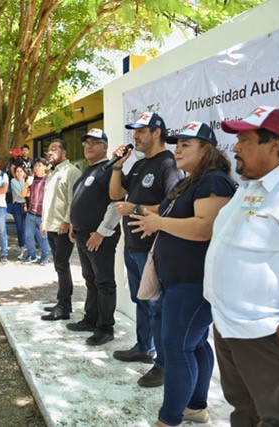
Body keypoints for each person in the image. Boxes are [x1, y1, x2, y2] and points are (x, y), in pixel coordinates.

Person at [204, 106, 279, 426]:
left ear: (275, 145)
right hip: (229, 329)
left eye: (245, 139)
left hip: (269, 334)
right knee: (244, 411)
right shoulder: (248, 188)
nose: (236, 147)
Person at [129, 122, 235, 426]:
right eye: (177, 144)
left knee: (177, 348)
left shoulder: (214, 180)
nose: (178, 149)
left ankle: (169, 419)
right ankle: (195, 407)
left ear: (208, 149)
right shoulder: (189, 181)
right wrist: (151, 218)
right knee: (195, 344)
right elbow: (172, 220)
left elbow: (205, 227)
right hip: (179, 282)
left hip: (194, 284)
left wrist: (159, 224)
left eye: (186, 144)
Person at [109, 111, 184, 388]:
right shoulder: (141, 164)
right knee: (141, 300)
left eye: (141, 131)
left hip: (152, 248)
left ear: (157, 132)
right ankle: (143, 347)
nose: (135, 136)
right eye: (134, 131)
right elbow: (115, 194)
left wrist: (135, 208)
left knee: (157, 305)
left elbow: (172, 206)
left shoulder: (168, 163)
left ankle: (163, 365)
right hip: (132, 245)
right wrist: (118, 166)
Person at [67, 128, 121, 346]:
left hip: (99, 237)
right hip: (82, 235)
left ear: (105, 147)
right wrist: (73, 224)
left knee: (104, 282)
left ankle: (106, 328)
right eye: (86, 142)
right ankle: (91, 319)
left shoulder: (109, 170)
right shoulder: (88, 171)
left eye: (95, 142)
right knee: (91, 281)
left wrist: (102, 232)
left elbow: (115, 204)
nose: (88, 146)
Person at [40, 140, 82, 321]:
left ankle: (63, 306)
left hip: (62, 228)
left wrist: (67, 221)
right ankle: (64, 303)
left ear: (64, 153)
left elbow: (74, 200)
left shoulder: (71, 171)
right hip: (51, 226)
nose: (50, 152)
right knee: (59, 266)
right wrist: (43, 222)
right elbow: (48, 201)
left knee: (62, 266)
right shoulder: (52, 173)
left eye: (54, 149)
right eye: (48, 150)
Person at [21, 158, 49, 265]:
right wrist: (26, 185)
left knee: (44, 237)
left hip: (43, 214)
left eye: (39, 165)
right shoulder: (32, 180)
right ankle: (32, 256)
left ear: (44, 167)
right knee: (28, 236)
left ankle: (45, 257)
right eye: (35, 165)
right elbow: (23, 195)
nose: (37, 168)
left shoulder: (48, 180)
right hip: (31, 213)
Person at [9, 165, 27, 259]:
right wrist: (26, 192)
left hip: (27, 206)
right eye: (17, 171)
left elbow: (28, 195)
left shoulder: (27, 182)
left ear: (24, 173)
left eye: (21, 171)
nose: (19, 173)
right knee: (20, 228)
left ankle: (29, 247)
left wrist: (26, 193)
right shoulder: (13, 181)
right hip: (17, 206)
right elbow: (20, 194)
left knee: (28, 228)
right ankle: (22, 247)